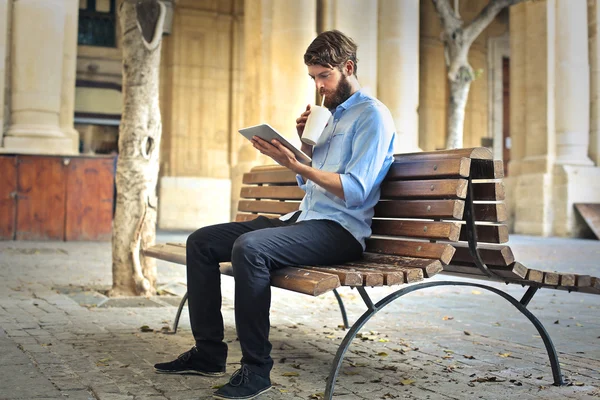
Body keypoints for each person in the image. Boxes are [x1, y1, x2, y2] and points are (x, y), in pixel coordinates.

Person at [154, 30, 396, 400]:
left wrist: (295, 161)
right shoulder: (329, 118)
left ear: (348, 68)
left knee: (251, 249)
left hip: (339, 230)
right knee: (201, 242)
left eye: (324, 76)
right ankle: (207, 353)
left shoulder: (372, 116)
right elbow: (310, 183)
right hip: (303, 219)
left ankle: (256, 371)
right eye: (313, 78)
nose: (319, 87)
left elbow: (355, 190)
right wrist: (298, 148)